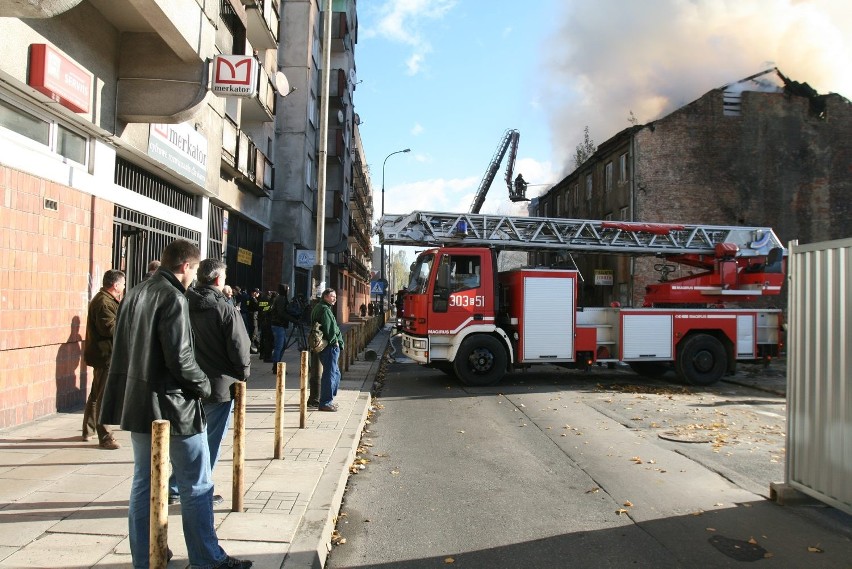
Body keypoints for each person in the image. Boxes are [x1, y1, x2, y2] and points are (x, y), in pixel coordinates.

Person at [100, 239, 253, 569]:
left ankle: (148, 555)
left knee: (144, 481)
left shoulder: (137, 292)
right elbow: (181, 359)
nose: (195, 275)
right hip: (172, 404)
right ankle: (207, 558)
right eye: (195, 269)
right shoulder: (173, 297)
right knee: (197, 483)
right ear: (186, 266)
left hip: (139, 402)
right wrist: (202, 386)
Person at [168, 259, 251, 507]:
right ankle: (198, 488)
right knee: (209, 440)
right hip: (218, 385)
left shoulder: (182, 303)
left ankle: (175, 485)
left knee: (189, 437)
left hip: (186, 383)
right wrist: (243, 373)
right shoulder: (225, 309)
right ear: (217, 280)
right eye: (224, 277)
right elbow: (240, 347)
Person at [82, 269, 125, 450]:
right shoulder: (103, 302)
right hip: (105, 355)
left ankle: (88, 430)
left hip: (102, 354)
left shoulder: (106, 300)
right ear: (115, 285)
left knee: (95, 394)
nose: (124, 287)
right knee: (103, 397)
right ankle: (105, 435)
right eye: (122, 284)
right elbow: (110, 329)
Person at [310, 288, 344, 412]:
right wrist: (335, 342)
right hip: (329, 346)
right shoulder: (325, 310)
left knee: (335, 373)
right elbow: (330, 329)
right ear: (325, 297)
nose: (334, 298)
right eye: (331, 296)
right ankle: (325, 402)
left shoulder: (319, 307)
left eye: (335, 296)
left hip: (325, 345)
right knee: (330, 374)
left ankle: (328, 399)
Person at [269, 283, 299, 374]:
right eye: (288, 289)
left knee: (282, 346)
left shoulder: (281, 298)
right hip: (278, 325)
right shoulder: (281, 298)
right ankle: (276, 366)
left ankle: (277, 364)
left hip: (279, 325)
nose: (289, 291)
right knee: (279, 346)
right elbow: (282, 313)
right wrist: (293, 320)